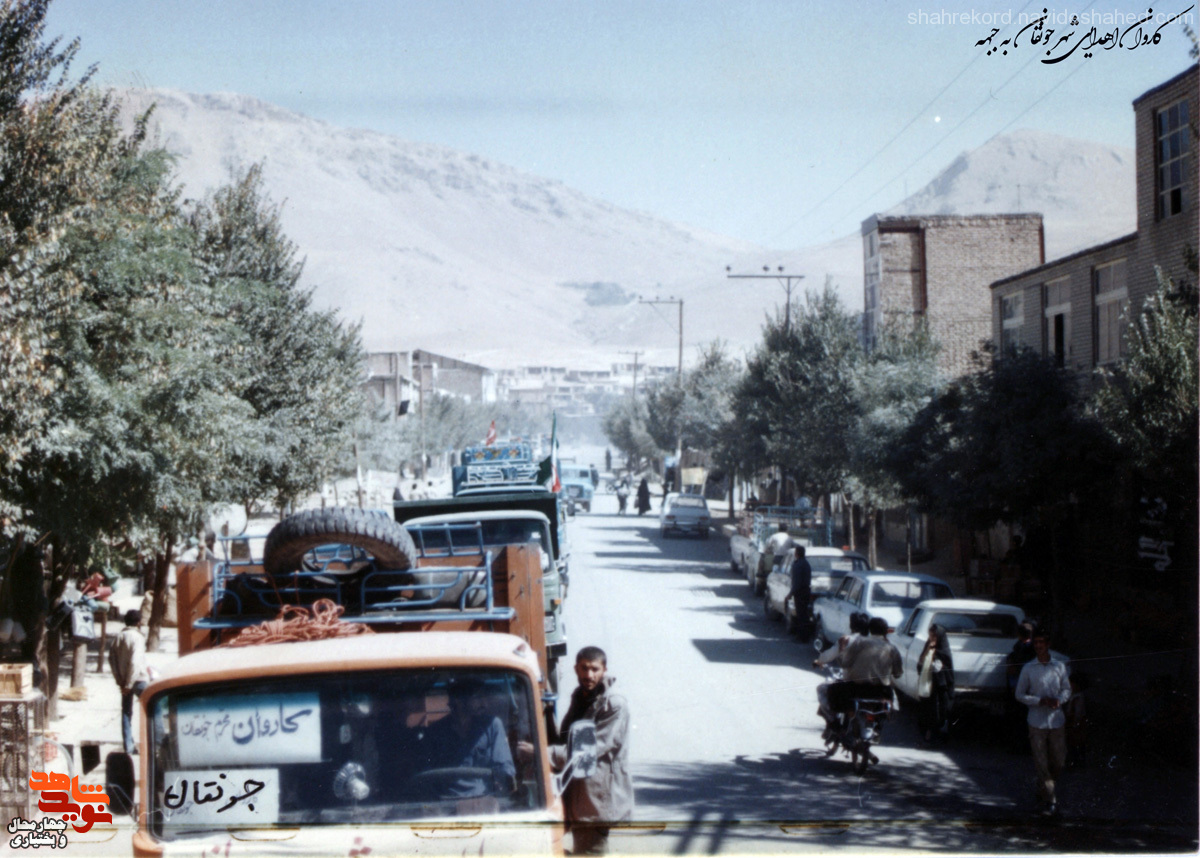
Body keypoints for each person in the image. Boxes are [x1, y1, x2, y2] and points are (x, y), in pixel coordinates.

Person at [547, 646, 632, 855]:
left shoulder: (614, 704)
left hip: (595, 799)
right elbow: (567, 737)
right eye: (584, 668)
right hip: (577, 793)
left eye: (595, 669)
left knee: (590, 852)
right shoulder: (581, 696)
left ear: (604, 670)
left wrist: (544, 754)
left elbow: (587, 751)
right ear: (576, 669)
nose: (589, 675)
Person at [419, 680, 516, 799]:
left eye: (484, 697)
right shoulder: (435, 732)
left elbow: (505, 768)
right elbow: (425, 776)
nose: (484, 704)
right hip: (444, 803)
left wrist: (501, 780)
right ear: (458, 700)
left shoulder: (492, 726)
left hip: (485, 800)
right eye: (477, 697)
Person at [1014, 625, 1071, 816]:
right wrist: (1039, 701)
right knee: (1041, 763)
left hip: (1056, 721)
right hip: (1036, 722)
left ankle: (1043, 790)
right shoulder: (1029, 668)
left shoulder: (1059, 666)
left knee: (1059, 762)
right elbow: (1019, 694)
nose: (1038, 646)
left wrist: (1059, 700)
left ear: (1048, 644)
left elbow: (1067, 690)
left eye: (1041, 643)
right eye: (1036, 643)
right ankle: (1051, 800)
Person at [826, 617, 903, 725]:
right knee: (893, 702)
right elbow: (898, 673)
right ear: (886, 631)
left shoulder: (858, 643)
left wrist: (841, 652)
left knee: (831, 690)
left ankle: (835, 724)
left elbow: (845, 663)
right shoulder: (892, 648)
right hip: (881, 691)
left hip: (856, 688)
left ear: (870, 629)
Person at [814, 611, 870, 725]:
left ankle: (833, 722)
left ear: (851, 625)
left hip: (852, 685)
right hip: (873, 687)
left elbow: (829, 655)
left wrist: (819, 661)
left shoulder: (846, 640)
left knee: (822, 689)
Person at [109, 610, 149, 755]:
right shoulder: (137, 637)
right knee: (153, 708)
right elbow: (135, 662)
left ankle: (129, 746)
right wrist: (128, 684)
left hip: (124, 681)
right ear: (138, 622)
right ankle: (158, 743)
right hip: (138, 679)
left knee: (126, 713)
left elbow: (112, 660)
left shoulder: (118, 637)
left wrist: (120, 681)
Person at [916, 623, 955, 743]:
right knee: (927, 711)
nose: (932, 639)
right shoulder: (927, 647)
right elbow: (920, 664)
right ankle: (928, 736)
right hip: (928, 685)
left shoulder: (943, 651)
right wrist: (928, 650)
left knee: (940, 712)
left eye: (934, 636)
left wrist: (934, 657)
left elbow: (944, 670)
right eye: (930, 636)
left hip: (940, 687)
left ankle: (938, 736)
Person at [788, 545, 813, 639]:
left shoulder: (798, 565)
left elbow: (797, 583)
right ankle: (805, 635)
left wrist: (790, 594)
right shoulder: (806, 564)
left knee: (801, 614)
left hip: (800, 592)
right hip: (806, 591)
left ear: (797, 553)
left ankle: (802, 636)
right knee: (804, 614)